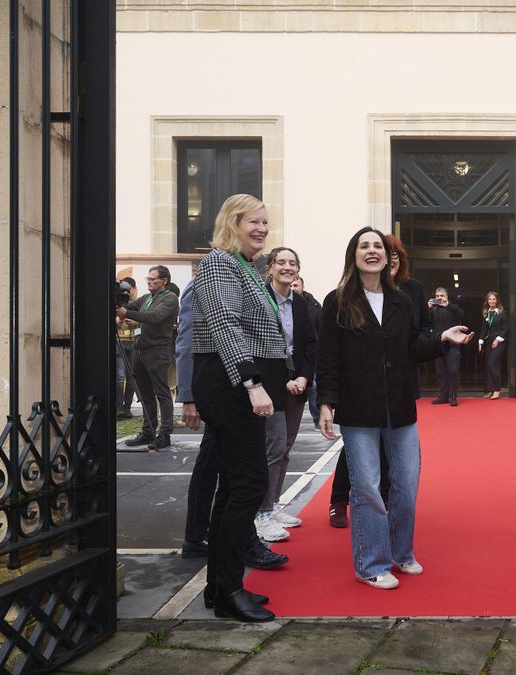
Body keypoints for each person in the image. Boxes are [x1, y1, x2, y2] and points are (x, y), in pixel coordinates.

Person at [316, 227, 473, 589]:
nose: (372, 251)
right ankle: (371, 563)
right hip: (358, 409)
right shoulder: (337, 301)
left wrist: (441, 340)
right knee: (368, 487)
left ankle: (401, 553)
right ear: (353, 256)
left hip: (399, 406)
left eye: (379, 247)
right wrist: (327, 402)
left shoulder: (402, 300)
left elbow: (413, 349)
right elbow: (328, 358)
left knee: (406, 482)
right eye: (364, 246)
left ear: (388, 257)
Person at [190, 194, 292, 622]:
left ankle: (220, 587)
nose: (263, 229)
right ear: (231, 221)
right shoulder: (219, 263)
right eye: (254, 221)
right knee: (249, 485)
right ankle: (230, 590)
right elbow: (225, 324)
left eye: (266, 223)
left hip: (239, 386)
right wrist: (252, 383)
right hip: (231, 386)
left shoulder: (246, 268)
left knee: (234, 486)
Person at [253, 247, 318, 536]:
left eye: (293, 263)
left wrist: (304, 376)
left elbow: (310, 344)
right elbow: (257, 349)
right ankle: (261, 513)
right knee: (274, 446)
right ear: (270, 267)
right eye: (281, 262)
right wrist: (283, 382)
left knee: (286, 448)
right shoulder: (259, 300)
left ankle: (274, 504)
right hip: (271, 386)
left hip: (297, 384)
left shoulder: (301, 303)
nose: (287, 267)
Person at [175, 279, 216, 561]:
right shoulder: (204, 281)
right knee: (210, 463)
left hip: (242, 392)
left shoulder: (246, 275)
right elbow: (186, 340)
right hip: (214, 390)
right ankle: (196, 535)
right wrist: (189, 396)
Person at [118, 265, 180, 450]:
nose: (150, 282)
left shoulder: (170, 298)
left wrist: (126, 313)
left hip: (157, 350)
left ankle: (165, 433)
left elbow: (154, 317)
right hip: (140, 350)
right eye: (148, 279)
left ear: (164, 281)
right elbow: (127, 306)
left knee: (161, 392)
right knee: (144, 394)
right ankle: (148, 431)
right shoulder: (146, 298)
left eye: (153, 279)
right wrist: (119, 303)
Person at [292, 275, 322, 424]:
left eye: (296, 286)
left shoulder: (314, 306)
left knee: (313, 387)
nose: (293, 289)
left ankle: (317, 418)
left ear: (302, 286)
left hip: (311, 355)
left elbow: (320, 331)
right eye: (291, 286)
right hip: (291, 356)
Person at [428, 287, 465, 406]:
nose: (440, 298)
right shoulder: (433, 309)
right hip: (438, 344)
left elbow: (461, 314)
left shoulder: (453, 308)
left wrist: (448, 305)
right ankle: (443, 395)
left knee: (453, 370)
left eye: (442, 296)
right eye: (437, 296)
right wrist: (428, 308)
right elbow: (425, 322)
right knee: (440, 372)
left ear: (446, 297)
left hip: (452, 345)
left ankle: (453, 396)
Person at [115, 276, 138, 420]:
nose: (126, 294)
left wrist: (135, 321)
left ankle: (127, 408)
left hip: (133, 343)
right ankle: (118, 407)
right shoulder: (115, 302)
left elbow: (144, 319)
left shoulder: (137, 303)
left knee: (131, 378)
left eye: (128, 290)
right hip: (119, 344)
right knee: (120, 377)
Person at [479, 291, 508, 399]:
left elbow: (505, 329)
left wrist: (497, 340)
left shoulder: (502, 312)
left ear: (497, 300)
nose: (491, 301)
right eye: (490, 299)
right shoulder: (486, 313)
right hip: (489, 342)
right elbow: (484, 329)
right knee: (488, 365)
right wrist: (480, 341)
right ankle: (490, 390)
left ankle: (497, 389)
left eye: (493, 299)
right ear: (487, 301)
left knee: (492, 364)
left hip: (499, 342)